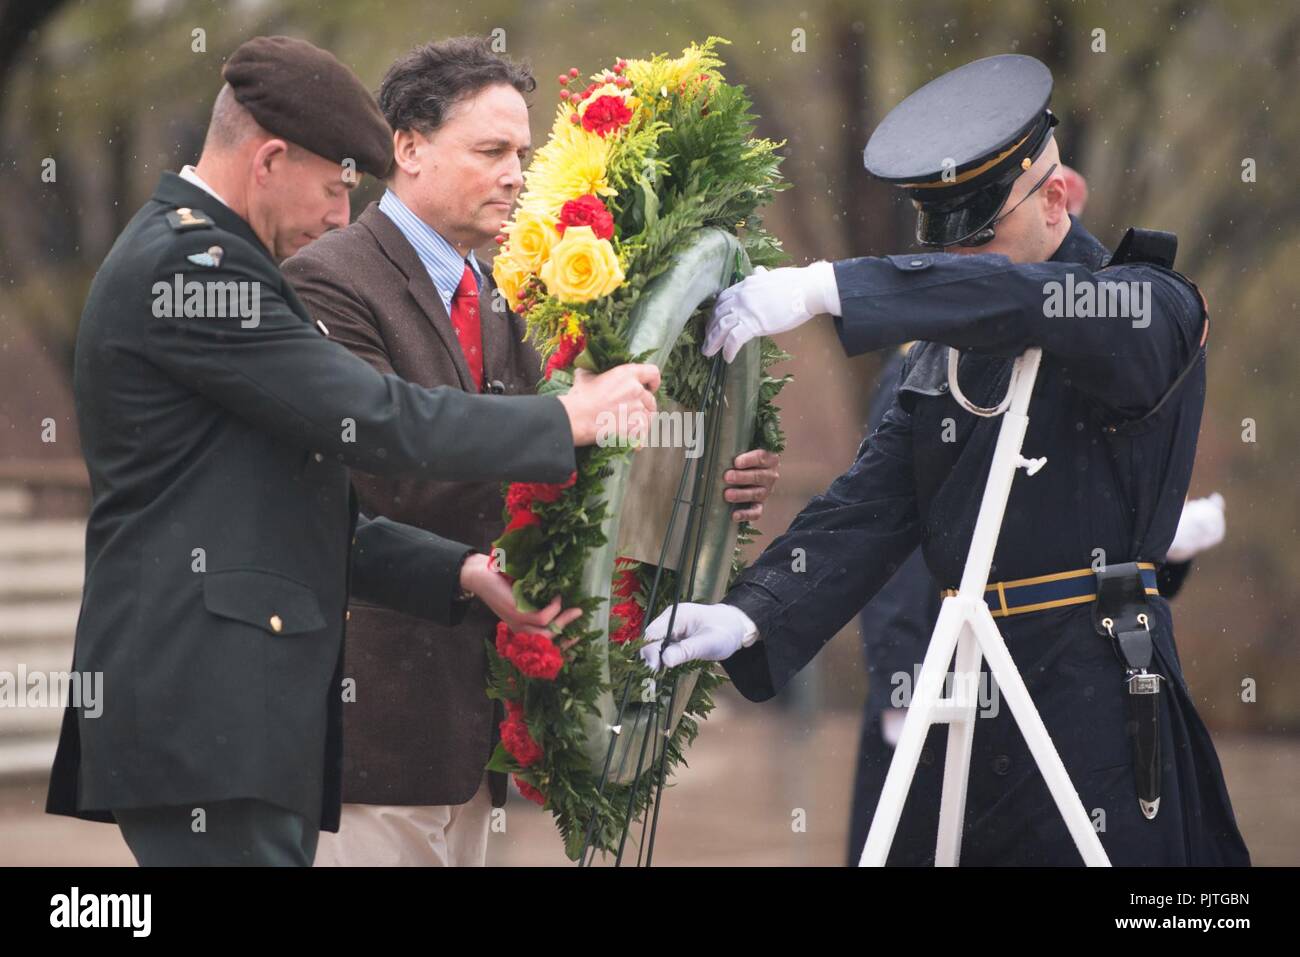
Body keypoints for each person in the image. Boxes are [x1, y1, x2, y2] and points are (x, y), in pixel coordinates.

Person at [46, 35, 658, 866]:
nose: (343, 215)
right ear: (269, 159)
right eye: (337, 186)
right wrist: (567, 419)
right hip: (208, 707)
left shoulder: (210, 255)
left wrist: (460, 574)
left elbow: (288, 498)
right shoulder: (192, 263)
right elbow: (374, 417)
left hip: (224, 715)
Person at [641, 54, 1250, 865]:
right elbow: (873, 504)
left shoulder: (1144, 302)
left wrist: (832, 287)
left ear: (1058, 198)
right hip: (965, 690)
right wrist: (752, 609)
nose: (965, 267)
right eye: (950, 250)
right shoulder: (948, 356)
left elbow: (1024, 301)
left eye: (984, 239)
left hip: (1097, 693)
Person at [283, 36, 780, 867]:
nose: (516, 172)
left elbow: (562, 470)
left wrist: (700, 465)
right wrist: (573, 422)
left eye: (523, 151)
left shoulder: (504, 289)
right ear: (407, 147)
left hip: (478, 730)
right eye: (490, 151)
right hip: (374, 728)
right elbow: (391, 466)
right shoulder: (328, 279)